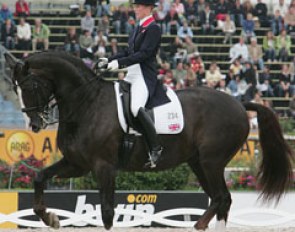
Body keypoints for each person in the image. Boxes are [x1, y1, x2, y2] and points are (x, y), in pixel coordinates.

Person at [96, 0, 170, 168]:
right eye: (135, 6)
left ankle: (155, 147)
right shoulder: (138, 27)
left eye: (139, 6)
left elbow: (144, 54)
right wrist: (109, 59)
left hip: (144, 75)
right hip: (132, 73)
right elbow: (128, 52)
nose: (135, 9)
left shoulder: (154, 28)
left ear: (149, 8)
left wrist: (119, 64)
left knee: (136, 107)